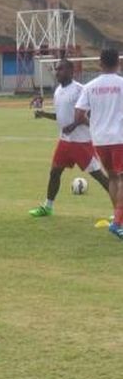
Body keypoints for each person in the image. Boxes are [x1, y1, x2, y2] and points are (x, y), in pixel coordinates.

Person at [30, 59, 109, 217]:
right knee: (54, 173)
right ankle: (48, 207)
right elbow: (61, 118)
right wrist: (43, 113)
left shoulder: (80, 90)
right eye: (56, 69)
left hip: (81, 143)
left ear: (71, 71)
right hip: (65, 142)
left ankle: (119, 208)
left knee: (99, 176)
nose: (57, 72)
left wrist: (74, 125)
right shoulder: (58, 91)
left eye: (60, 69)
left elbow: (89, 114)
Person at [74, 49, 123, 239]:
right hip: (119, 138)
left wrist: (93, 124)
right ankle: (118, 222)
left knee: (112, 178)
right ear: (118, 63)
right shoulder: (121, 84)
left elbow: (78, 114)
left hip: (100, 139)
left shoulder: (90, 86)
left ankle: (118, 219)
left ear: (100, 63)